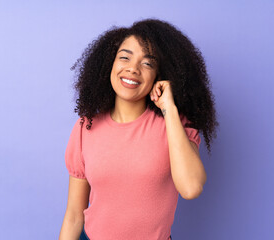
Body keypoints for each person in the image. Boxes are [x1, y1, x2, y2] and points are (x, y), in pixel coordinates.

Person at [59, 18, 218, 240]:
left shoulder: (176, 126)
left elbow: (191, 187)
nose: (132, 69)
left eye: (147, 63)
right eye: (124, 57)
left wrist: (169, 109)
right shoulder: (86, 127)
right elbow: (74, 216)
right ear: (109, 64)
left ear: (159, 76)